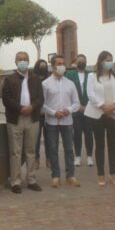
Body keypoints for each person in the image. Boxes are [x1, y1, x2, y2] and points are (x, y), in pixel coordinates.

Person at [1, 51, 43, 194]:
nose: (23, 61)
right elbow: (6, 99)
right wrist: (20, 108)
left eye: (25, 59)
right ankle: (15, 181)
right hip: (16, 119)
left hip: (32, 118)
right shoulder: (9, 79)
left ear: (29, 61)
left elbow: (40, 98)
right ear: (16, 62)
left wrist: (32, 107)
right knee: (15, 151)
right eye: (20, 59)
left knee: (31, 150)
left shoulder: (35, 79)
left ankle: (31, 180)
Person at [85, 51, 115, 186]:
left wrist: (114, 105)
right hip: (98, 114)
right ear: (101, 61)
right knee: (100, 144)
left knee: (112, 144)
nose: (110, 63)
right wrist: (103, 106)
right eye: (107, 60)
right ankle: (101, 174)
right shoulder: (92, 76)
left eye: (111, 60)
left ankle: (113, 173)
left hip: (113, 113)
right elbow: (90, 94)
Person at [42, 55, 81, 188]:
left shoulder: (70, 84)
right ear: (53, 66)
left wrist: (68, 110)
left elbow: (76, 103)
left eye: (63, 63)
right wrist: (54, 113)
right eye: (59, 63)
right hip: (52, 122)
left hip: (67, 121)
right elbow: (42, 104)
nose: (62, 66)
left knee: (69, 149)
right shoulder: (45, 84)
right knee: (53, 149)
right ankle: (55, 176)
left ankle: (70, 176)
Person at [64, 54, 93, 167]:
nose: (81, 62)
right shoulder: (70, 74)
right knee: (77, 134)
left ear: (86, 62)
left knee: (89, 133)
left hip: (89, 109)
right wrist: (78, 105)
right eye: (79, 60)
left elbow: (94, 91)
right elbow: (68, 91)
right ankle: (78, 156)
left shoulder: (91, 74)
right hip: (76, 109)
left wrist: (88, 105)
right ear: (75, 62)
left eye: (83, 60)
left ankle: (89, 156)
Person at [32, 59, 50, 170]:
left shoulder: (49, 79)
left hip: (48, 113)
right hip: (36, 114)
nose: (43, 68)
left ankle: (49, 159)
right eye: (41, 66)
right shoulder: (32, 79)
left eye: (45, 66)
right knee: (36, 139)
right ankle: (36, 160)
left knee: (49, 139)